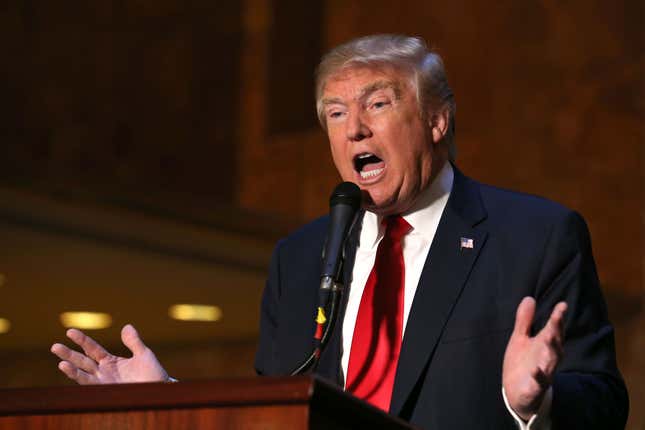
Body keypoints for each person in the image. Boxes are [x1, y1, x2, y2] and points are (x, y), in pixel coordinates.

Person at [51, 35, 628, 429]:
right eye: (334, 113)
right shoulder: (299, 259)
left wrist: (538, 401)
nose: (354, 128)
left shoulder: (536, 236)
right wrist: (170, 399)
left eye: (377, 104)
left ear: (436, 120)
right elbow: (277, 413)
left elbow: (604, 404)